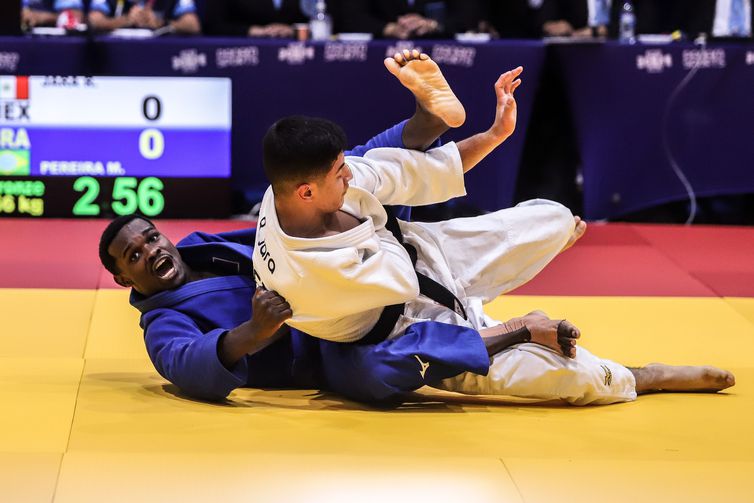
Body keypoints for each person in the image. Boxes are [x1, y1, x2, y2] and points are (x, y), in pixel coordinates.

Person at [253, 51, 735, 405]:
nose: (348, 172)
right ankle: (640, 376)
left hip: (419, 252)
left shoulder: (315, 186)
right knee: (571, 379)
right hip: (405, 330)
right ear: (307, 193)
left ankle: (430, 120)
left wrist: (494, 134)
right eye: (338, 171)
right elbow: (413, 289)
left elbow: (413, 173)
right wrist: (518, 330)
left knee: (554, 217)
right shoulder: (306, 275)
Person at [87, 0, 201, 35]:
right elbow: (93, 20)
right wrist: (124, 20)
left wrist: (160, 23)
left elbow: (192, 24)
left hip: (160, 55)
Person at [203, 0, 307, 38]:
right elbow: (213, 24)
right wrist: (250, 30)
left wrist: (295, 30)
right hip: (244, 52)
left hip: (298, 52)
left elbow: (318, 17)